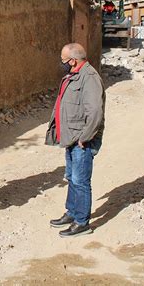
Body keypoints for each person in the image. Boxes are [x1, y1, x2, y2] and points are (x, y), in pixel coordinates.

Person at [45, 43, 105, 237]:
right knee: (71, 177)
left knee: (81, 181)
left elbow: (95, 111)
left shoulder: (89, 77)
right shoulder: (74, 74)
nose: (62, 64)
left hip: (82, 140)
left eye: (64, 61)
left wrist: (85, 137)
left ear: (73, 60)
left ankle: (82, 222)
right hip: (72, 137)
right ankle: (72, 212)